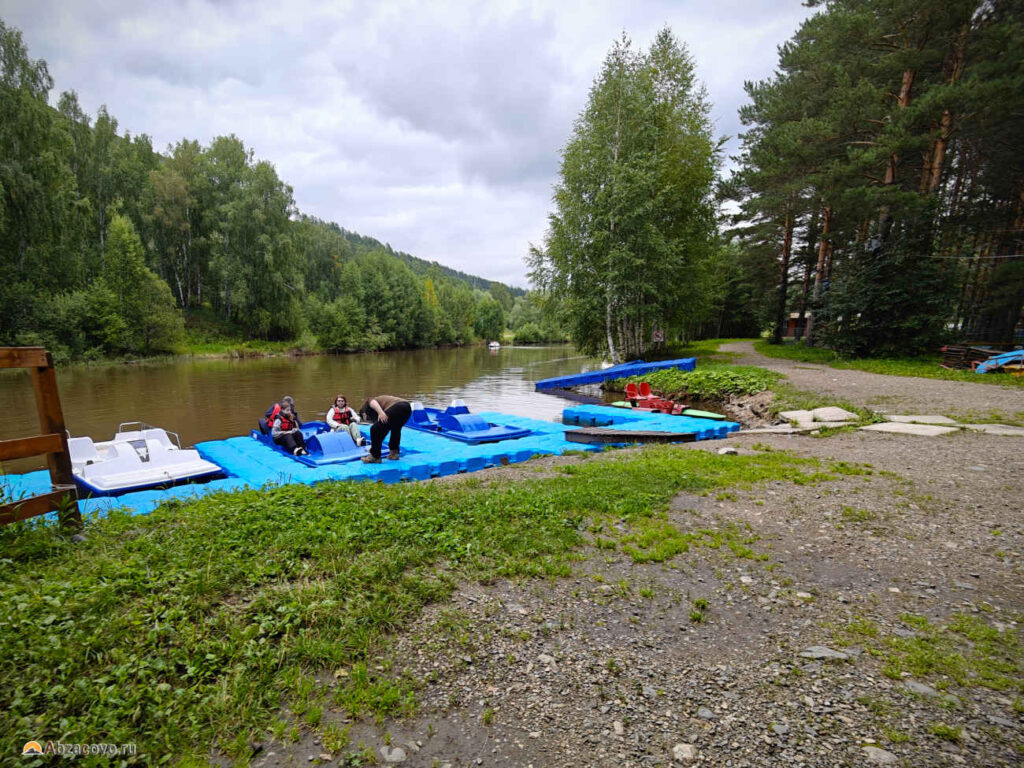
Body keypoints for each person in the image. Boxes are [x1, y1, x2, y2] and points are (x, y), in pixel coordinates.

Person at [358, 395, 411, 463]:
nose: (369, 421)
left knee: (374, 429)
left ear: (364, 414)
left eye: (368, 419)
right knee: (395, 428)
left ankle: (375, 457)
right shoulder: (380, 407)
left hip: (397, 406)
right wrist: (375, 446)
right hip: (407, 407)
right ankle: (394, 454)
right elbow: (383, 431)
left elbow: (372, 401)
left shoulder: (367, 405)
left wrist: (380, 412)